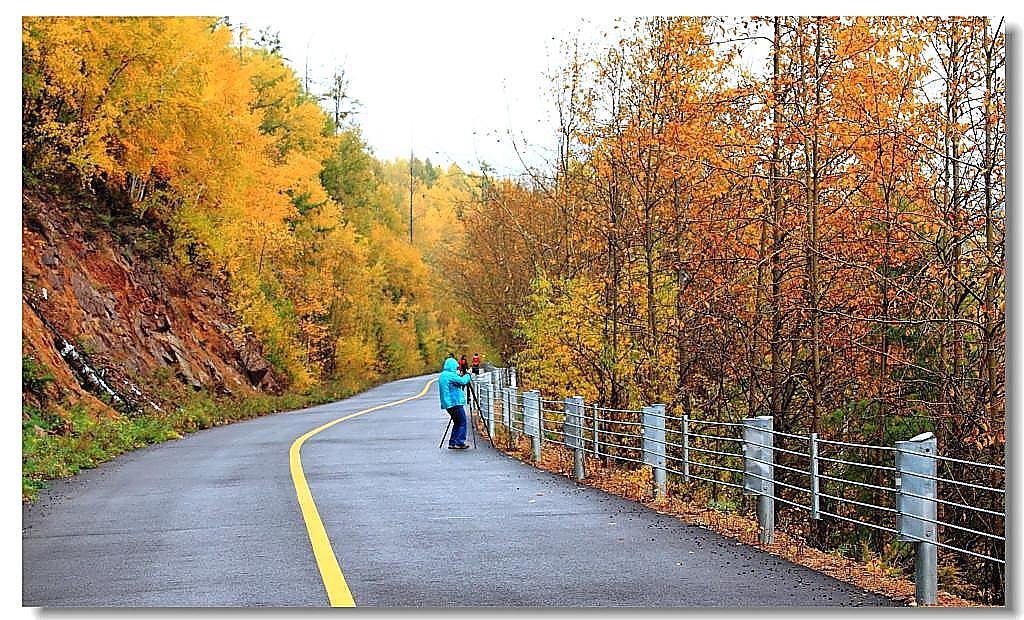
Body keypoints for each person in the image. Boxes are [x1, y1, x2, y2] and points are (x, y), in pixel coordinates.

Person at [439, 357, 472, 449]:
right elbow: (463, 381)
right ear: (452, 366)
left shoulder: (443, 375)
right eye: (456, 367)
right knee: (462, 422)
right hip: (454, 402)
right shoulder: (450, 375)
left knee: (457, 422)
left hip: (447, 404)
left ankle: (452, 442)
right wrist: (468, 374)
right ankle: (460, 442)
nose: (457, 368)